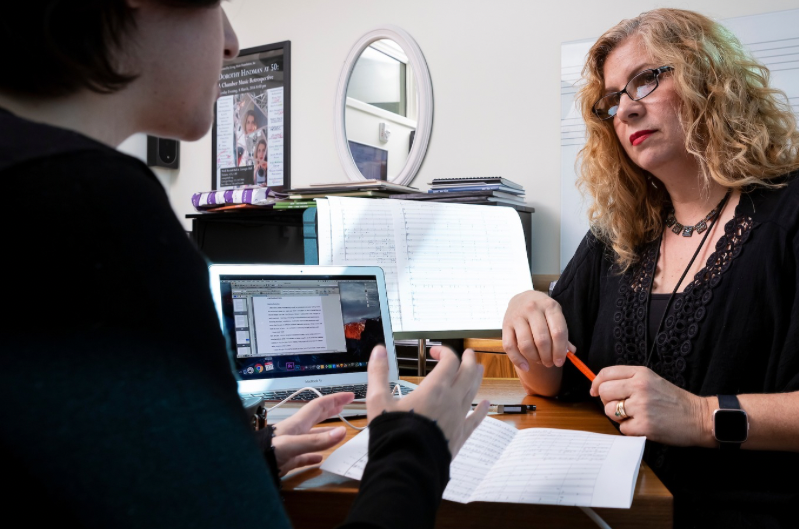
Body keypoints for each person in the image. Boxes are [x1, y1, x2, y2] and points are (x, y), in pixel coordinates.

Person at [0, 2, 488, 528]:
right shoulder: (93, 209)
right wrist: (416, 449)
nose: (231, 42)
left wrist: (237, 461)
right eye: (215, 5)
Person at [502, 8, 799, 528]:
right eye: (612, 101)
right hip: (624, 509)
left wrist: (702, 415)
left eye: (645, 80)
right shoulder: (618, 237)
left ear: (708, 77)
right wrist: (525, 312)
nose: (626, 111)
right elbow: (552, 382)